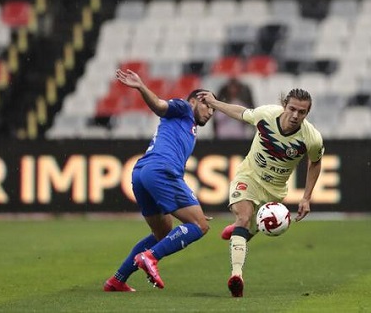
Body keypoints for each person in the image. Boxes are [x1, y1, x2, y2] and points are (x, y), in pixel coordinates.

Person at [196, 88, 324, 298]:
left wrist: (306, 197)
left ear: (307, 114)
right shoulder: (266, 115)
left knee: (247, 230)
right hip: (249, 177)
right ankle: (237, 277)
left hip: (274, 191)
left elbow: (316, 162)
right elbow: (241, 113)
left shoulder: (312, 138)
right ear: (284, 105)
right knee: (244, 218)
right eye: (292, 109)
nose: (295, 115)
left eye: (301, 112)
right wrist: (215, 103)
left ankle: (237, 229)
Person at [103, 69, 215, 292]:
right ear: (193, 100)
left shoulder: (187, 128)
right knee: (199, 226)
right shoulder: (183, 108)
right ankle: (150, 257)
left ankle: (117, 280)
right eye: (207, 105)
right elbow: (159, 106)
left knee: (162, 233)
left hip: (142, 172)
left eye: (213, 107)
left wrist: (191, 207)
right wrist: (141, 86)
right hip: (159, 171)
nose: (211, 111)